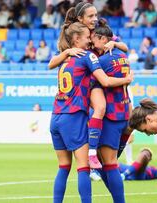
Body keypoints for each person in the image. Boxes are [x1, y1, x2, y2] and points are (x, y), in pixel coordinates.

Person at [50, 20, 132, 203]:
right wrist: (127, 79)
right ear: (77, 38)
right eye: (87, 38)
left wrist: (65, 52)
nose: (90, 41)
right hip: (73, 116)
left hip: (56, 116)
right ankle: (93, 152)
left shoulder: (66, 58)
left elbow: (50, 64)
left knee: (63, 167)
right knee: (84, 167)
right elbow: (106, 82)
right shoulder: (88, 56)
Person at [90, 19, 132, 202]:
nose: (91, 42)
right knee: (107, 164)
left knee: (109, 164)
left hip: (111, 117)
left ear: (101, 38)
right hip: (124, 113)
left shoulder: (100, 61)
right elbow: (124, 46)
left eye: (93, 39)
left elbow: (99, 83)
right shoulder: (123, 56)